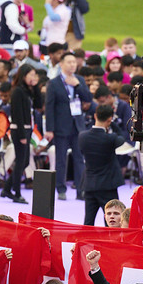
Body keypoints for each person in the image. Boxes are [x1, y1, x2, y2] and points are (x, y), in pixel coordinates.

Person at [45, 51, 91, 201]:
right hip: (61, 127)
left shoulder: (80, 80)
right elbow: (49, 107)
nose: (73, 65)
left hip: (78, 126)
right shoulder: (54, 83)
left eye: (74, 62)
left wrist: (77, 86)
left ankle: (80, 189)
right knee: (61, 159)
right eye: (69, 62)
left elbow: (88, 98)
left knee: (79, 158)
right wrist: (49, 129)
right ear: (61, 64)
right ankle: (61, 189)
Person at [78, 104, 126, 225]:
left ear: (95, 116)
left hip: (89, 184)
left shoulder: (82, 137)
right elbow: (123, 137)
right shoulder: (111, 138)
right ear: (109, 120)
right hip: (108, 186)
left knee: (88, 222)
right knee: (112, 223)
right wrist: (112, 123)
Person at [0, 65, 39, 204]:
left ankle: (7, 188)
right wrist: (22, 135)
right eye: (31, 75)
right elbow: (17, 114)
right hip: (19, 129)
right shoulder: (17, 91)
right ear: (23, 75)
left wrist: (36, 87)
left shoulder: (28, 91)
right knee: (21, 161)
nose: (33, 77)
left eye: (35, 75)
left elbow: (39, 104)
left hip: (27, 129)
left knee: (25, 161)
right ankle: (16, 192)